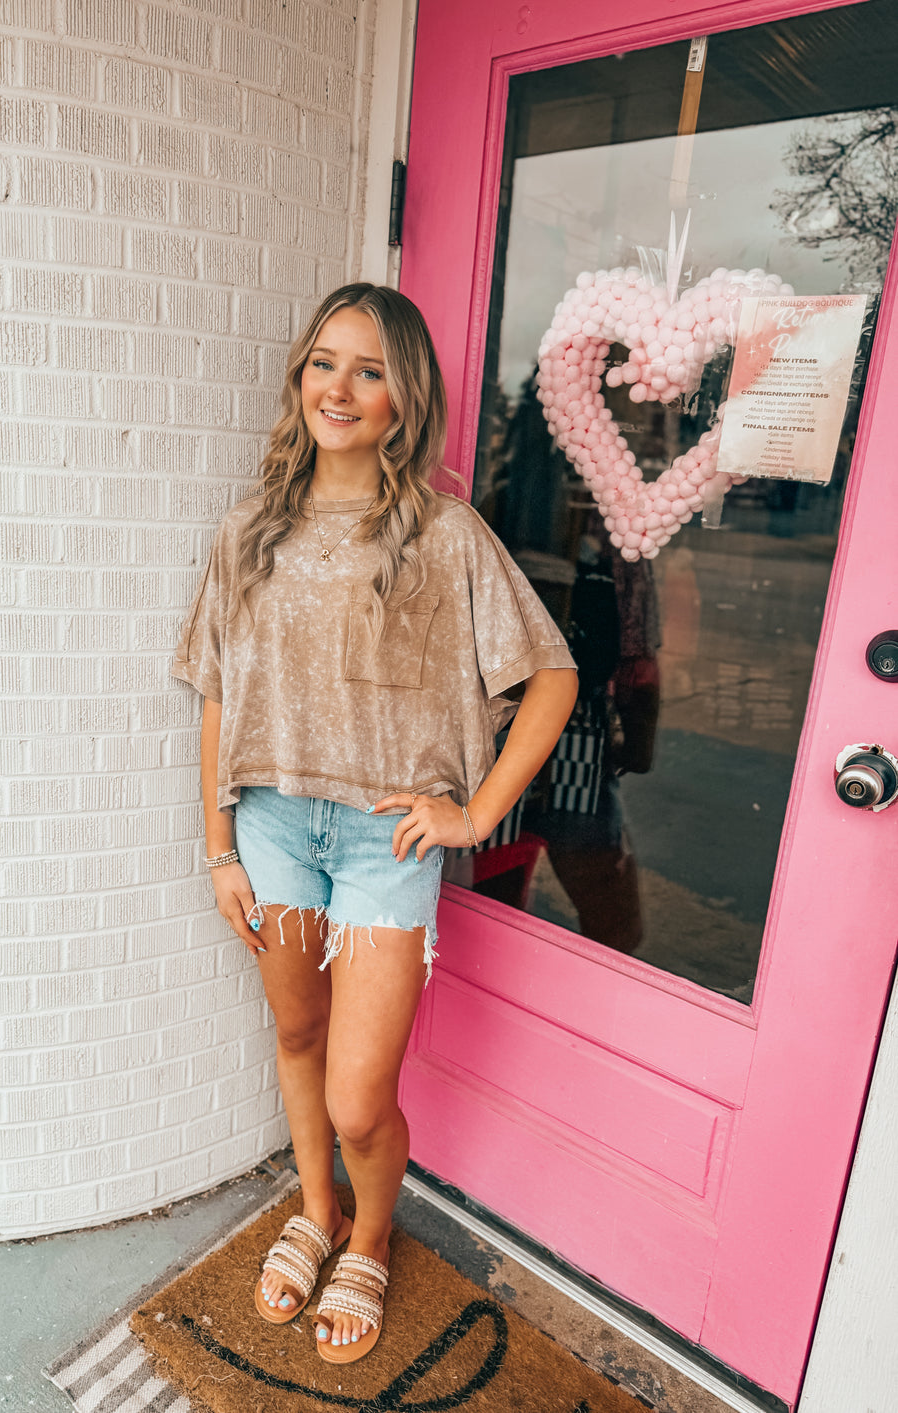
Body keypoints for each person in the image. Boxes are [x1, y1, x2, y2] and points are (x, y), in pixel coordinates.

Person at [171, 283, 577, 1365]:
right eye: (322, 363)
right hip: (269, 826)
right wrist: (217, 844)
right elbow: (217, 691)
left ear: (405, 398)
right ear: (298, 376)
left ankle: (374, 1231)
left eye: (368, 370)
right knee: (296, 1036)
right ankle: (317, 1213)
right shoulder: (249, 529)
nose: (337, 389)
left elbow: (549, 676)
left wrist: (475, 812)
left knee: (359, 1094)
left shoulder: (443, 534)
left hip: (380, 843)